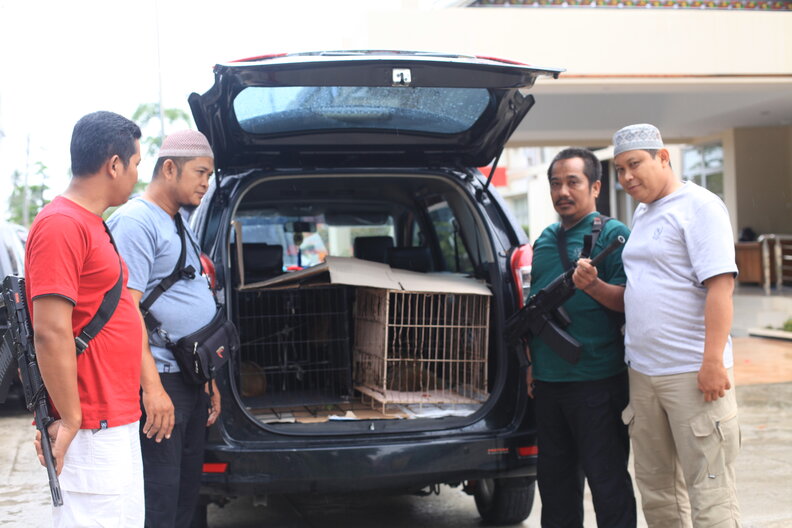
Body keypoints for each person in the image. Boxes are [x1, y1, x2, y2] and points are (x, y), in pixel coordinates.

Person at [613, 123, 741, 527]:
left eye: (635, 164)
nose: (627, 177)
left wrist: (713, 362)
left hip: (692, 373)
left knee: (711, 492)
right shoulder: (643, 212)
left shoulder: (700, 206)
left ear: (663, 157)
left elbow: (721, 287)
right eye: (619, 169)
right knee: (658, 492)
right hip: (644, 374)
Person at [26, 111, 145, 526]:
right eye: (135, 164)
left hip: (114, 416)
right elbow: (50, 330)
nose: (136, 175)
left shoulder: (90, 223)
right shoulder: (61, 224)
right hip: (91, 422)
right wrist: (72, 418)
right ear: (114, 165)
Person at [107, 129, 221, 527]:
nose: (206, 183)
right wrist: (152, 390)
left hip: (189, 379)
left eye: (210, 175)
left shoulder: (178, 221)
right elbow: (127, 311)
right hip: (161, 382)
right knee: (159, 500)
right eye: (201, 173)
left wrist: (208, 379)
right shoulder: (137, 222)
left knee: (186, 497)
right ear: (170, 168)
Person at [527, 147, 636, 527]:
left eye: (573, 182)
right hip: (548, 385)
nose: (563, 192)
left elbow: (632, 302)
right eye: (555, 183)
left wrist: (593, 286)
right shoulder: (544, 239)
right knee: (555, 488)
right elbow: (533, 311)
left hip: (597, 383)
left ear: (595, 187)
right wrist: (530, 365)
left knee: (608, 485)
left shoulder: (614, 235)